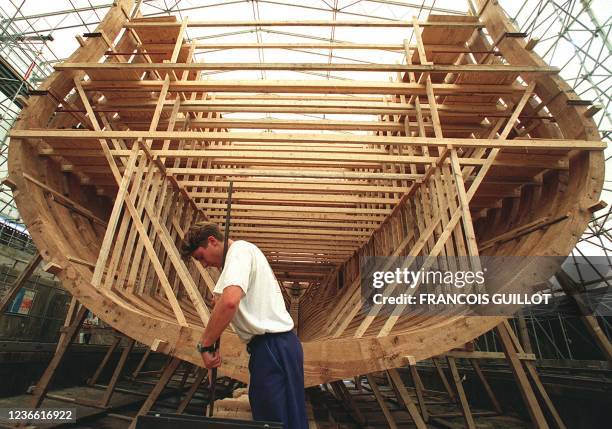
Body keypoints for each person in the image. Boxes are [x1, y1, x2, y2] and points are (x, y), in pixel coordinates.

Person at [180, 222, 308, 428]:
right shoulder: (243, 255)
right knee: (289, 415)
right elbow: (225, 302)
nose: (203, 264)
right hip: (278, 346)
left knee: (272, 419)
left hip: (271, 347)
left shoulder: (238, 252)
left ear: (212, 241)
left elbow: (230, 302)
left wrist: (205, 345)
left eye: (200, 257)